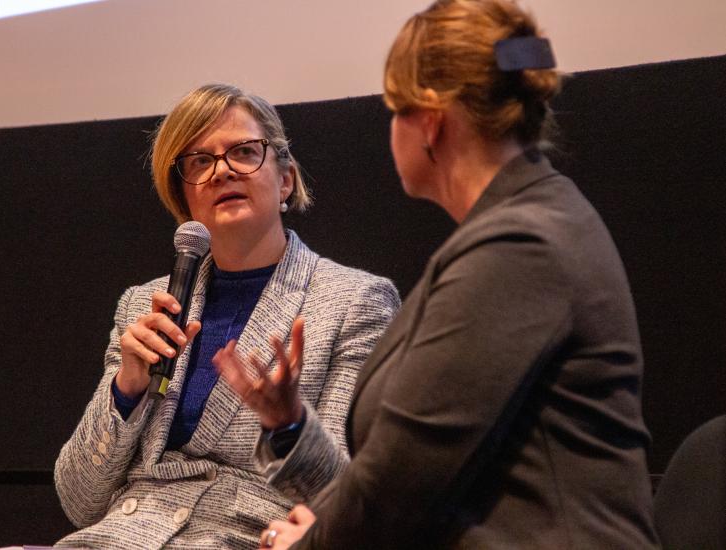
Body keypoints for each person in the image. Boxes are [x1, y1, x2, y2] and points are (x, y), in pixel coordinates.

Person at [214, 1, 660, 548]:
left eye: (393, 110)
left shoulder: (519, 249)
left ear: (429, 120)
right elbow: (422, 479)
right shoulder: (523, 223)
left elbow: (399, 486)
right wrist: (321, 508)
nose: (390, 131)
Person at [53, 83, 400, 549]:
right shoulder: (145, 304)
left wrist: (290, 424)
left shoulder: (354, 302)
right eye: (200, 161)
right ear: (185, 199)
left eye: (243, 151)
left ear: (285, 179)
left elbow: (350, 502)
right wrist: (126, 389)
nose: (222, 171)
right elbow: (79, 501)